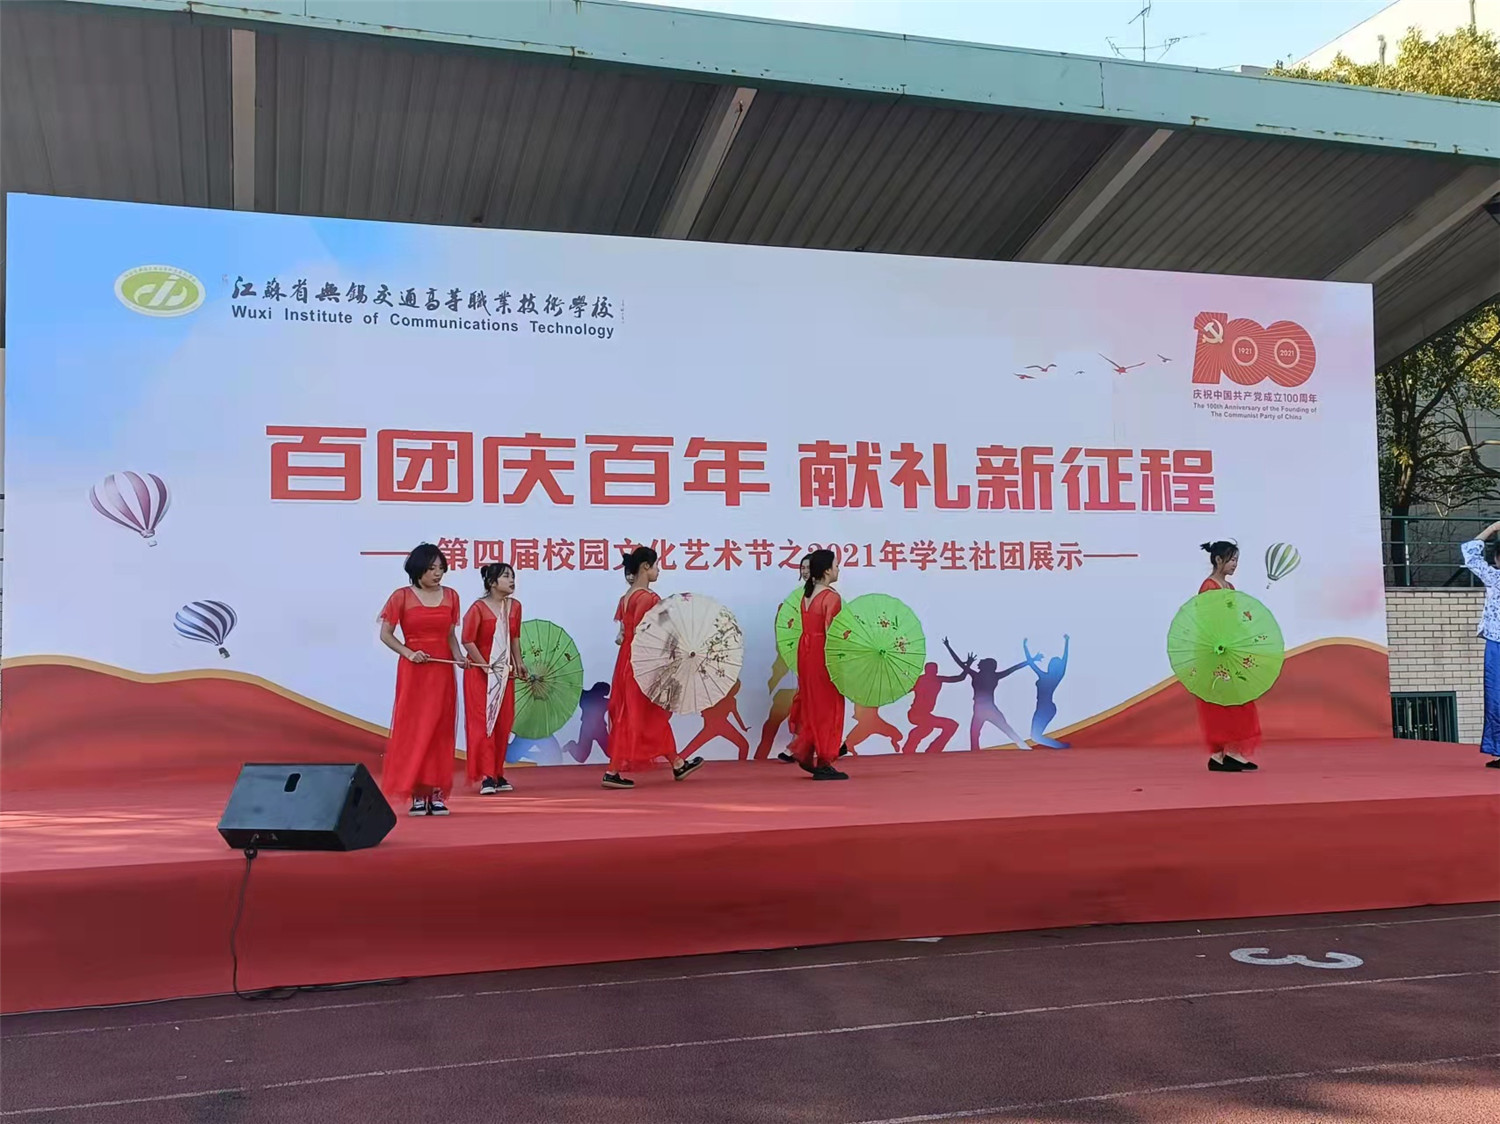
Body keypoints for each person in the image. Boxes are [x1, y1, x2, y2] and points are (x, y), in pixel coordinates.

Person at [603, 546, 705, 789]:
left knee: (633, 714)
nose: (658, 570)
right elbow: (659, 634)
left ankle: (676, 763)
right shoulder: (650, 599)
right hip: (644, 663)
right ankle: (614, 770)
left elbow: (622, 636)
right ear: (645, 567)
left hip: (626, 661)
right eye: (656, 565)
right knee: (649, 714)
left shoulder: (626, 598)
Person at [378, 543, 465, 815]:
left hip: (442, 671)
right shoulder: (401, 597)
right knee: (416, 728)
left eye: (441, 568)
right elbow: (386, 634)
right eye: (431, 569)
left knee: (440, 729)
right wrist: (409, 652)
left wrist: (459, 657)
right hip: (414, 671)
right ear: (418, 570)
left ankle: (436, 791)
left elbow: (450, 636)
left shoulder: (451, 596)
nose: (437, 574)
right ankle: (417, 791)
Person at [461, 562, 527, 796]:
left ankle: (498, 772)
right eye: (506, 576)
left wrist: (519, 662)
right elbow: (467, 640)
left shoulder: (515, 607)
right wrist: (484, 666)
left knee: (503, 721)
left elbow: (514, 638)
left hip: (504, 672)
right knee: (483, 723)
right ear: (491, 582)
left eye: (512, 576)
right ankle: (486, 776)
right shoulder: (478, 608)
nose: (512, 580)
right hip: (480, 673)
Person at [1198, 540, 1261, 772]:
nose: (1235, 564)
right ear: (1218, 560)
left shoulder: (1229, 587)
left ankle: (1232, 752)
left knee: (1238, 700)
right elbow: (1208, 621)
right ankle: (1218, 755)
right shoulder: (1209, 587)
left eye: (1236, 560)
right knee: (1220, 702)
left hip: (1230, 650)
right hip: (1216, 652)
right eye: (1231, 560)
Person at [786, 548, 849, 779]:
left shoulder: (807, 594)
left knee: (812, 704)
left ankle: (807, 752)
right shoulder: (831, 597)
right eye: (836, 565)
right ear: (826, 570)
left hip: (806, 653)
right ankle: (824, 760)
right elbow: (833, 634)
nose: (838, 569)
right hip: (823, 655)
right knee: (829, 707)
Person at [943, 637, 1033, 750]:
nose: (979, 664)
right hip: (986, 707)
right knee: (1002, 729)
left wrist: (949, 647)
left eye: (982, 663)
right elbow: (1014, 668)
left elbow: (960, 663)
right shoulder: (993, 676)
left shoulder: (979, 675)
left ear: (986, 666)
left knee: (976, 733)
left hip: (983, 707)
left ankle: (976, 752)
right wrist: (1029, 662)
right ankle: (1023, 746)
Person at [1460, 521, 1500, 768]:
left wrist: (1492, 529)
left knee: (1497, 697)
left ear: (1497, 558)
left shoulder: (1495, 577)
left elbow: (1471, 554)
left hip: (1497, 642)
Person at [903, 662, 965, 753]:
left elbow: (959, 678)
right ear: (926, 670)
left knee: (931, 727)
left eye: (934, 669)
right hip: (916, 714)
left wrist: (967, 667)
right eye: (931, 669)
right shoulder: (921, 680)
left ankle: (932, 749)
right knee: (938, 726)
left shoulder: (936, 679)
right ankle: (913, 747)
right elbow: (905, 690)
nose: (933, 671)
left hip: (924, 715)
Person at [1023, 636, 1070, 749]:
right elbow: (1030, 663)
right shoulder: (1045, 676)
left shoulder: (1051, 677)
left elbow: (1065, 659)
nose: (1050, 665)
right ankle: (1061, 746)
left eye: (1052, 664)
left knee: (1035, 736)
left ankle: (1061, 746)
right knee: (1035, 736)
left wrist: (1067, 642)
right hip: (1042, 708)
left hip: (1046, 708)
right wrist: (1025, 646)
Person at [684, 681, 751, 758]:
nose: (736, 690)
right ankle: (679, 760)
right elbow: (705, 709)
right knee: (692, 746)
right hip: (714, 726)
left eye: (737, 688)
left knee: (744, 745)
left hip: (721, 726)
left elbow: (736, 715)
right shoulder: (717, 697)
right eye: (735, 688)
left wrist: (743, 727)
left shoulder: (731, 700)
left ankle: (742, 764)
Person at [565, 682, 610, 763]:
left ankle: (571, 746)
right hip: (588, 729)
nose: (606, 694)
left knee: (610, 753)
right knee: (581, 757)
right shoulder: (586, 696)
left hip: (598, 729)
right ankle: (571, 745)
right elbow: (574, 689)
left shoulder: (585, 696)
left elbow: (575, 689)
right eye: (606, 692)